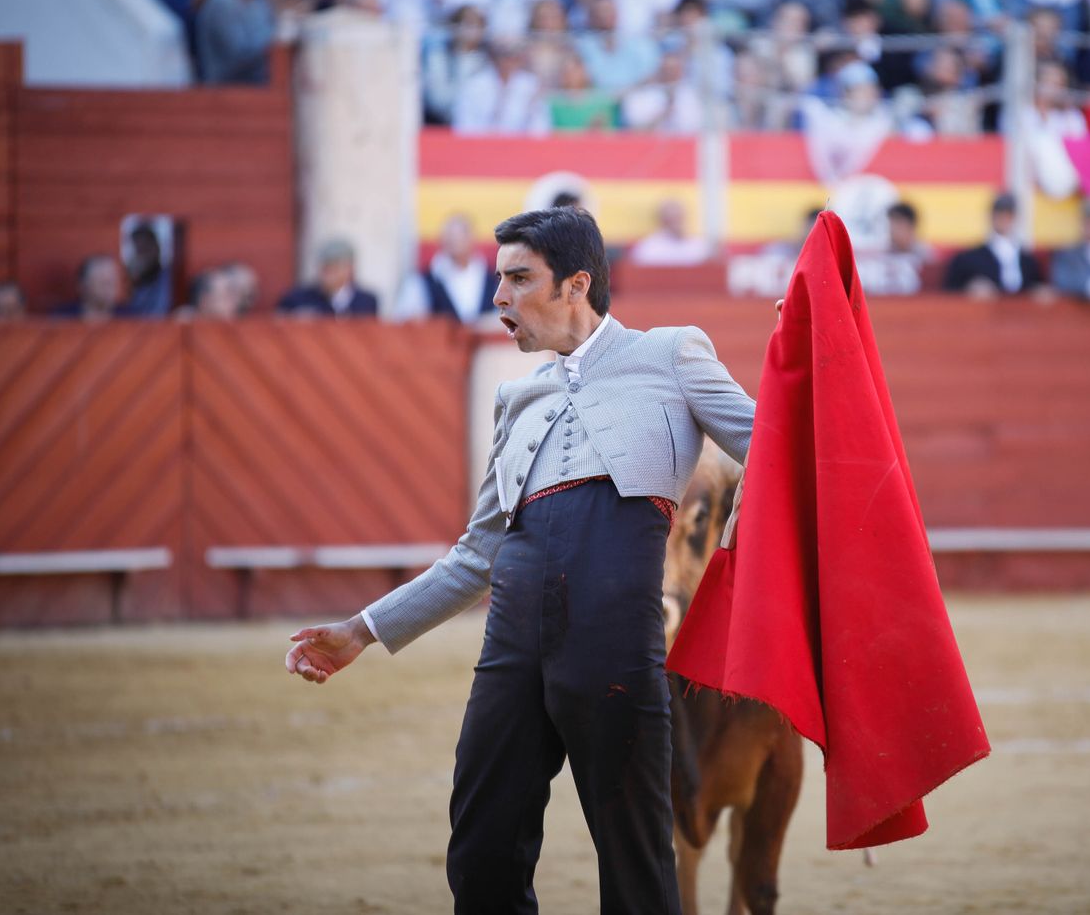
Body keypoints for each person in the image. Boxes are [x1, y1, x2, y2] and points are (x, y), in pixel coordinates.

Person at [283, 207, 758, 915]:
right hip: (510, 646)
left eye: (517, 279)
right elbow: (478, 553)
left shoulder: (672, 354)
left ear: (575, 284)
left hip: (617, 643)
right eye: (497, 279)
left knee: (634, 865)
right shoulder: (517, 397)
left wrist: (801, 357)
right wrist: (362, 629)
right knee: (480, 850)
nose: (498, 298)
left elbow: (776, 446)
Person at [395, 214, 502, 321]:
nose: (456, 241)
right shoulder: (422, 281)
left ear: (471, 238)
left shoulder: (493, 278)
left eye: (461, 235)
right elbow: (404, 319)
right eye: (451, 236)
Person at [943, 194, 1045, 298]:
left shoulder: (1028, 262)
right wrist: (970, 287)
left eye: (1009, 215)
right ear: (992, 216)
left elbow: (1037, 288)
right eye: (1000, 214)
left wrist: (1038, 291)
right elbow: (951, 292)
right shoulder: (969, 259)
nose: (1004, 219)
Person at [452, 40, 551, 135]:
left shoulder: (530, 85)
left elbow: (540, 127)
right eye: (505, 54)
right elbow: (464, 126)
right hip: (480, 146)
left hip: (521, 147)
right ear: (494, 56)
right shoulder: (473, 85)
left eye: (514, 54)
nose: (509, 60)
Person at [277, 238, 379, 315]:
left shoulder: (366, 301)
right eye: (326, 267)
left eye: (336, 267)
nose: (330, 273)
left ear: (350, 268)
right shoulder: (297, 299)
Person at [627, 198, 710, 265]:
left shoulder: (699, 245)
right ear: (661, 220)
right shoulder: (648, 248)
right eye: (671, 218)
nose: (676, 222)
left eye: (678, 217)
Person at [122, 221, 174, 316]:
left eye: (145, 249)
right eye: (138, 250)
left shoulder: (168, 277)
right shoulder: (131, 278)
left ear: (156, 248)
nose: (142, 256)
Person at [52, 255, 125, 321]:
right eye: (102, 282)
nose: (109, 287)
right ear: (82, 286)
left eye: (112, 281)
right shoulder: (63, 319)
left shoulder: (129, 317)